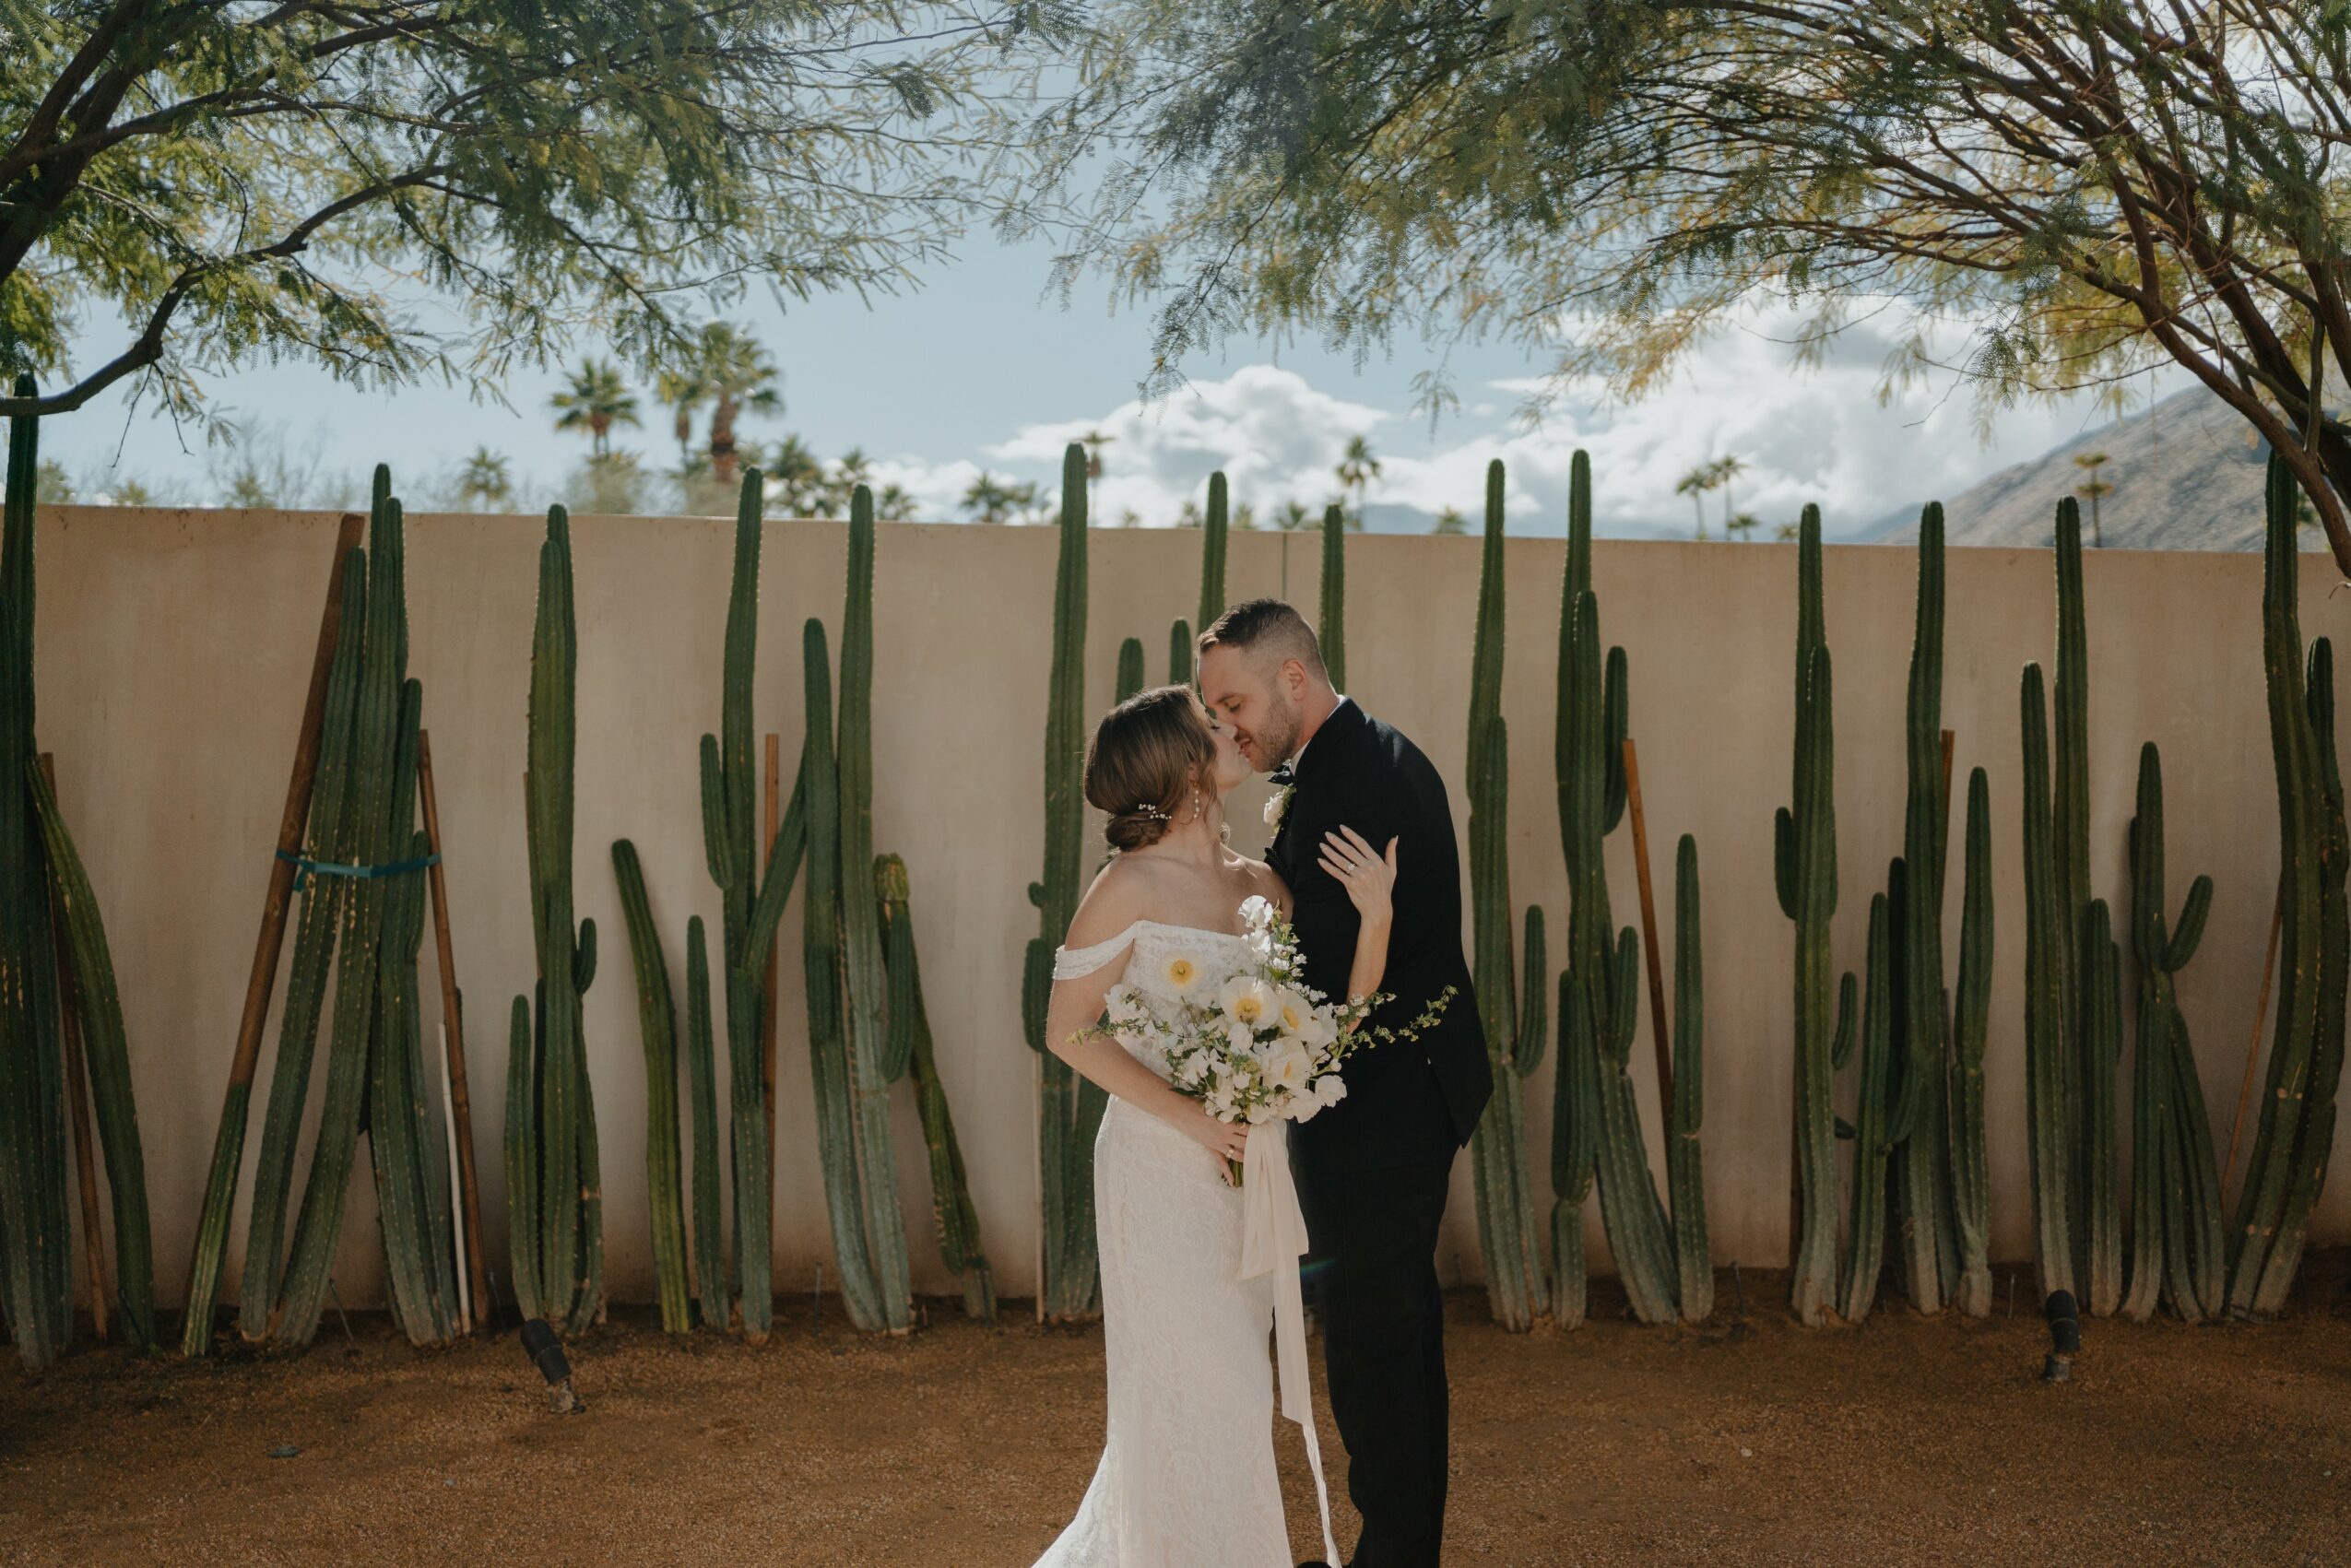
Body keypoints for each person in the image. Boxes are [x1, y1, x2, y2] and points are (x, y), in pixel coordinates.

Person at [1034, 683, 1400, 1568]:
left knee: (1236, 1388)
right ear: (1181, 765)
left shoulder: (1264, 883)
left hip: (1246, 1173)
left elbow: (1324, 1030)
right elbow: (1067, 1029)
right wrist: (1196, 1119)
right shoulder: (1125, 885)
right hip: (1157, 1170)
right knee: (1182, 1387)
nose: (1230, 729)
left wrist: (1378, 917)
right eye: (1209, 725)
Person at [1196, 598, 1488, 1568]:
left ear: (1293, 677)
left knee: (1376, 1348)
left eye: (1235, 703)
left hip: (1382, 1106)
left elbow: (1316, 983)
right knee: (1387, 1336)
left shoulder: (1351, 784)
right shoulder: (1357, 756)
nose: (1228, 726)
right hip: (1398, 1089)